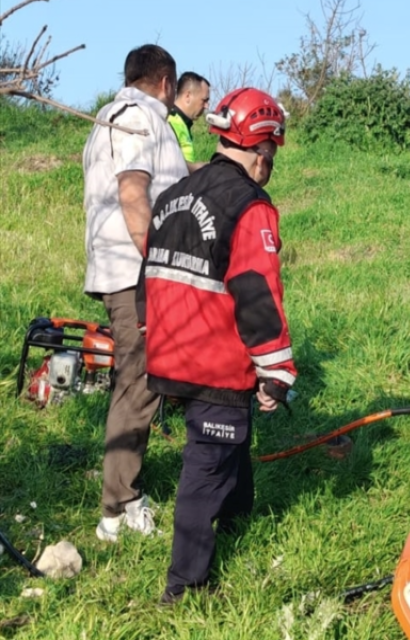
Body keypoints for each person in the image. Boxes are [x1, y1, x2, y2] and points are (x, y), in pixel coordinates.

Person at [137, 87, 296, 604]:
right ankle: (184, 587)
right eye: (271, 153)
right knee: (204, 468)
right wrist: (276, 370)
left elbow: (149, 278)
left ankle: (236, 520)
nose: (270, 163)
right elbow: (256, 293)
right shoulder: (249, 205)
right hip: (213, 358)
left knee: (230, 441)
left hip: (170, 351)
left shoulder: (173, 196)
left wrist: (149, 333)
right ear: (261, 147)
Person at [82, 44, 189, 543]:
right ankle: (119, 506)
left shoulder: (107, 117)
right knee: (138, 384)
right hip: (137, 272)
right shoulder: (139, 118)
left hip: (121, 269)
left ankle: (120, 498)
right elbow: (132, 194)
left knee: (138, 381)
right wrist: (158, 266)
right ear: (165, 83)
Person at [167, 71, 211, 170]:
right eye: (204, 100)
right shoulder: (169, 122)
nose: (207, 106)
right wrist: (204, 168)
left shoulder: (183, 123)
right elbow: (169, 162)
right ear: (188, 96)